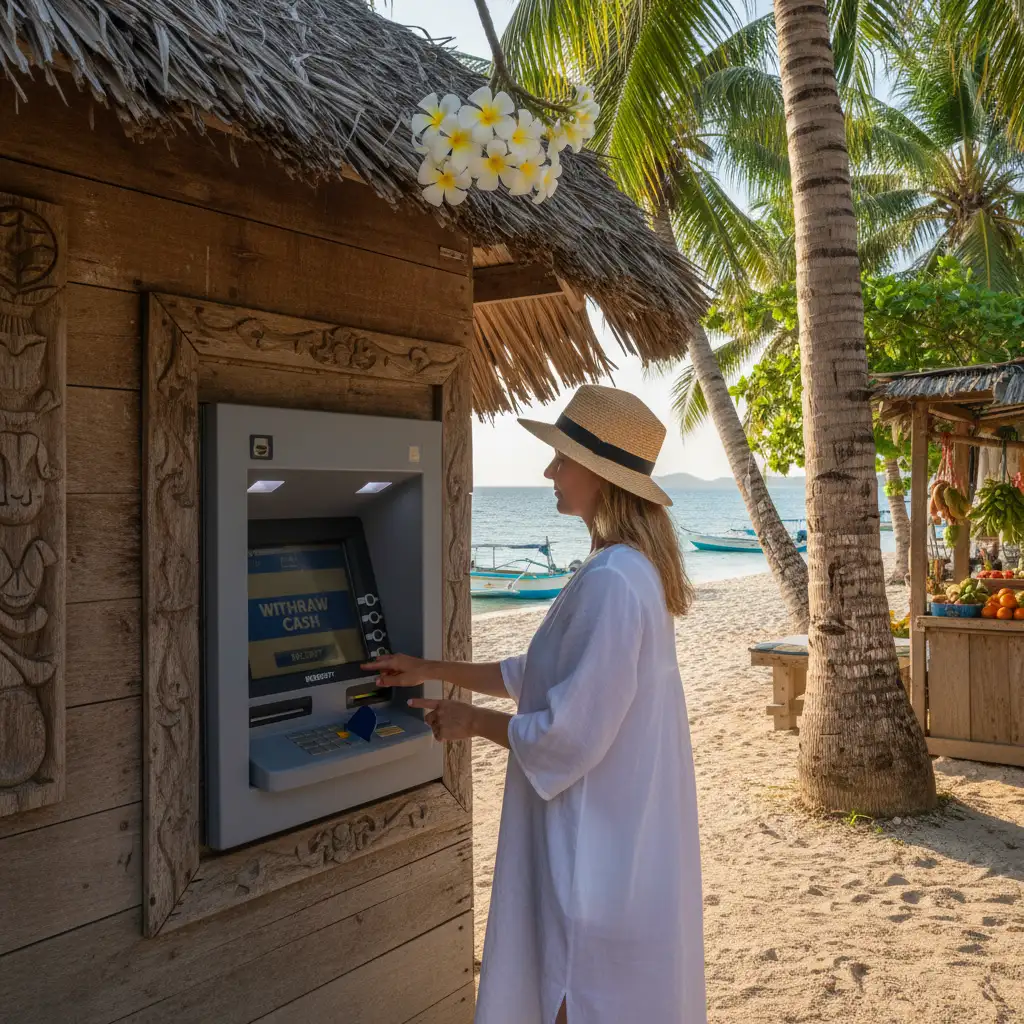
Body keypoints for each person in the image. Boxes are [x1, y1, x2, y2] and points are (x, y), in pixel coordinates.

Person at [367, 385, 706, 1024]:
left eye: (562, 459)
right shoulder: (622, 571)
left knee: (571, 996)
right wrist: (428, 668)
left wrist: (469, 721)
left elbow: (567, 736)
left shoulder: (612, 582)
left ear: (601, 478)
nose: (549, 470)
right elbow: (539, 676)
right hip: (611, 850)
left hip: (593, 860)